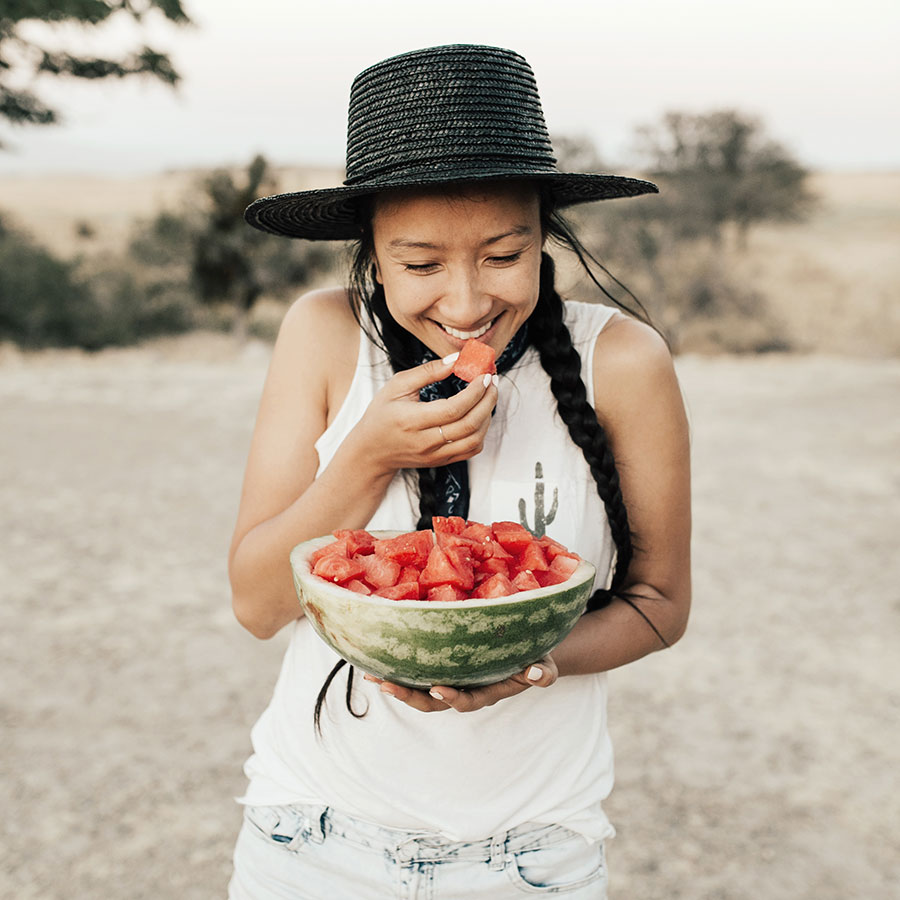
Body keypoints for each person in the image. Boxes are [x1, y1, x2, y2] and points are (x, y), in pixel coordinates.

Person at [227, 44, 691, 899]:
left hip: (534, 854)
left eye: (505, 254)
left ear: (547, 231)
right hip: (311, 836)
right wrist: (369, 456)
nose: (469, 300)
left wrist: (532, 665)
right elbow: (258, 606)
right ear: (369, 248)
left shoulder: (622, 361)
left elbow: (660, 608)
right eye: (420, 264)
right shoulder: (325, 334)